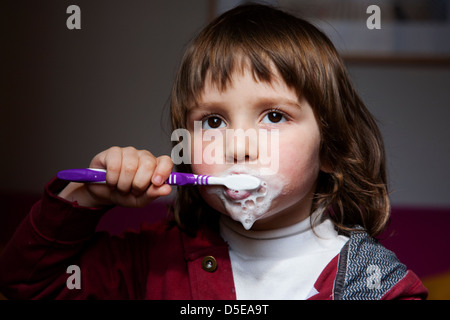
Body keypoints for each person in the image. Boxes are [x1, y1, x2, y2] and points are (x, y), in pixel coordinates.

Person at [0, 4, 427, 300]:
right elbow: (25, 284)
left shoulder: (380, 288)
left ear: (331, 149)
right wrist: (87, 197)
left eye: (274, 116)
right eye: (214, 121)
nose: (238, 145)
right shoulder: (150, 264)